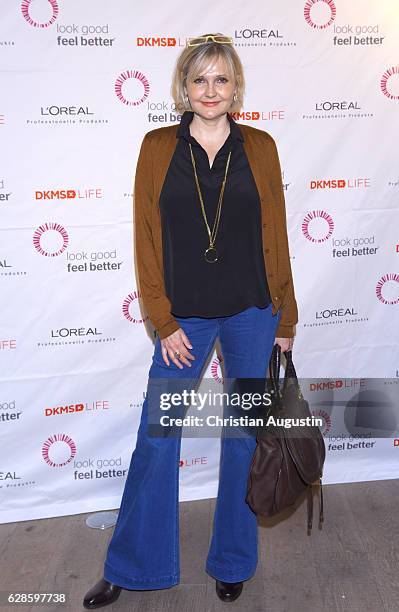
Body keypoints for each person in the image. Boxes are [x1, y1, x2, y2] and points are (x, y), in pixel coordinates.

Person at [83, 32, 298, 609]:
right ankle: (131, 565)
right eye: (199, 79)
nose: (210, 90)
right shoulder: (156, 147)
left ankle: (232, 560)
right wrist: (162, 320)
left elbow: (276, 234)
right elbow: (146, 240)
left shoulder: (261, 146)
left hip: (255, 311)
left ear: (236, 88)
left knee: (243, 436)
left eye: (221, 79)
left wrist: (287, 316)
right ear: (184, 87)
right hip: (185, 321)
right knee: (158, 437)